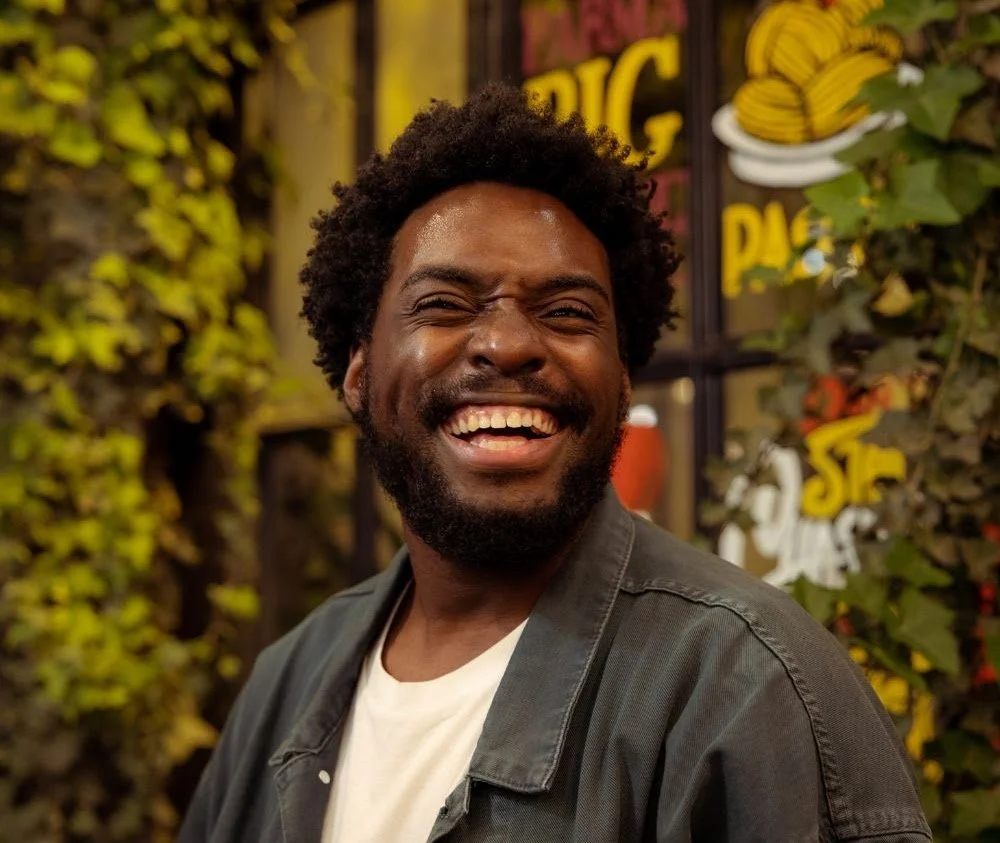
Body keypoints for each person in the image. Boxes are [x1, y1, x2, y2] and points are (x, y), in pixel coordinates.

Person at [179, 83, 931, 843]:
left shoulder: (747, 686)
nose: (508, 344)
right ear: (358, 370)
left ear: (623, 380)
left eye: (567, 313)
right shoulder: (285, 685)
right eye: (444, 304)